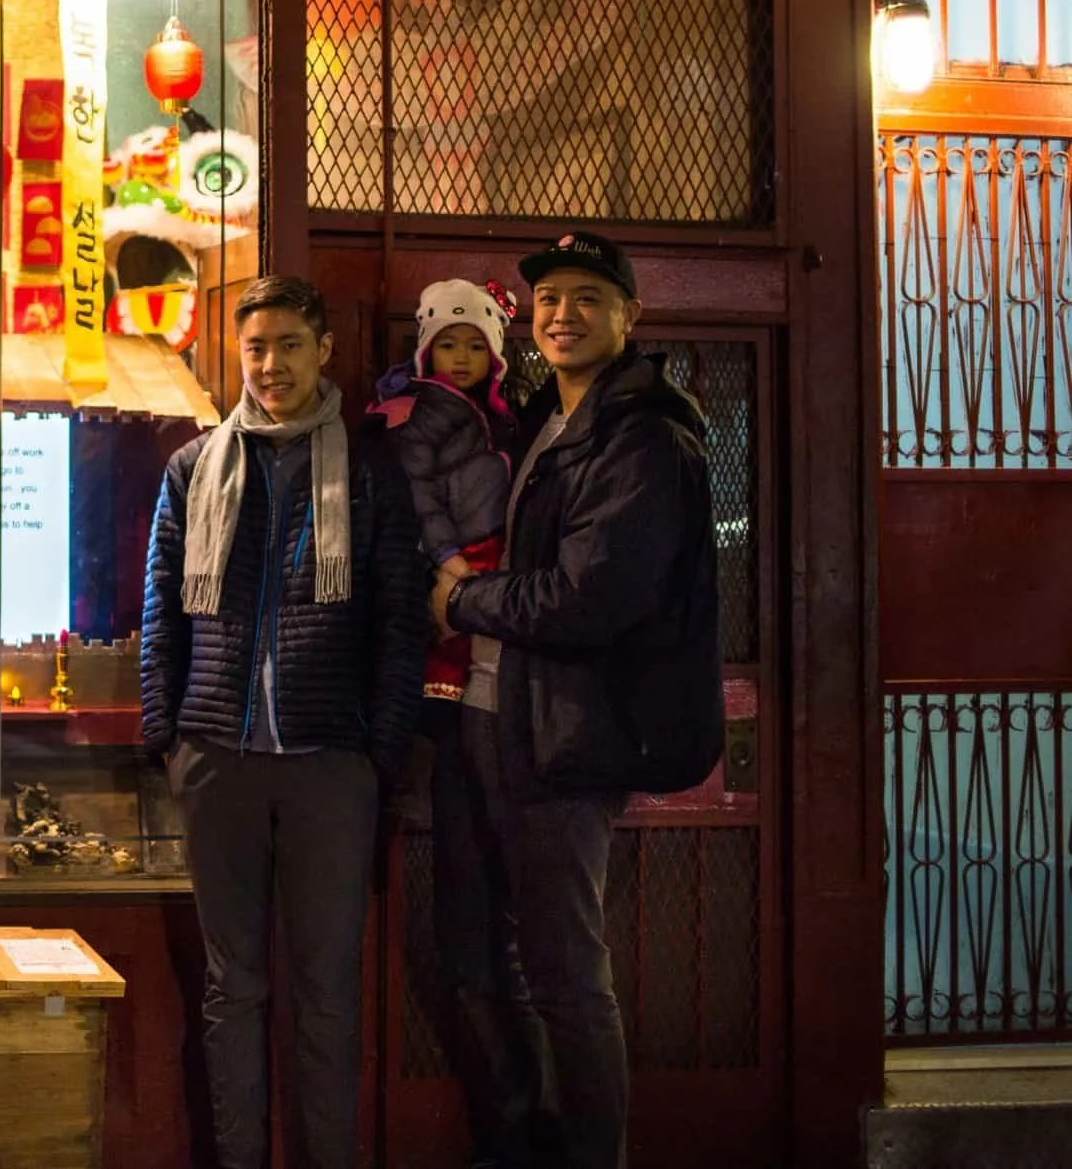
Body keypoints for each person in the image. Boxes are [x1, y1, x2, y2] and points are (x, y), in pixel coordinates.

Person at [436, 232, 723, 1169]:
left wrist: (459, 599)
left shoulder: (642, 435)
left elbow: (586, 596)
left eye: (587, 297)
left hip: (564, 737)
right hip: (486, 718)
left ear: (630, 316)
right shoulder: (539, 419)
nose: (562, 313)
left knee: (565, 972)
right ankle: (517, 1145)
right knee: (479, 962)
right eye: (550, 297)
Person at [142, 274, 431, 1169]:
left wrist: (377, 748)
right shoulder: (194, 467)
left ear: (324, 351)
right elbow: (162, 602)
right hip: (217, 758)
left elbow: (400, 617)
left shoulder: (371, 469)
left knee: (327, 990)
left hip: (328, 761)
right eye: (256, 348)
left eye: (289, 346)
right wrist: (169, 732)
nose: (271, 365)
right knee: (234, 989)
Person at [368, 278, 545, 1168]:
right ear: (427, 350)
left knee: (521, 945)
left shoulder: (515, 422)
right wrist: (452, 572)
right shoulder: (422, 418)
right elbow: (422, 506)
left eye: (477, 345)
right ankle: (516, 1131)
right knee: (475, 938)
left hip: (525, 710)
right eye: (449, 345)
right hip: (456, 680)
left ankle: (540, 1131)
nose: (462, 358)